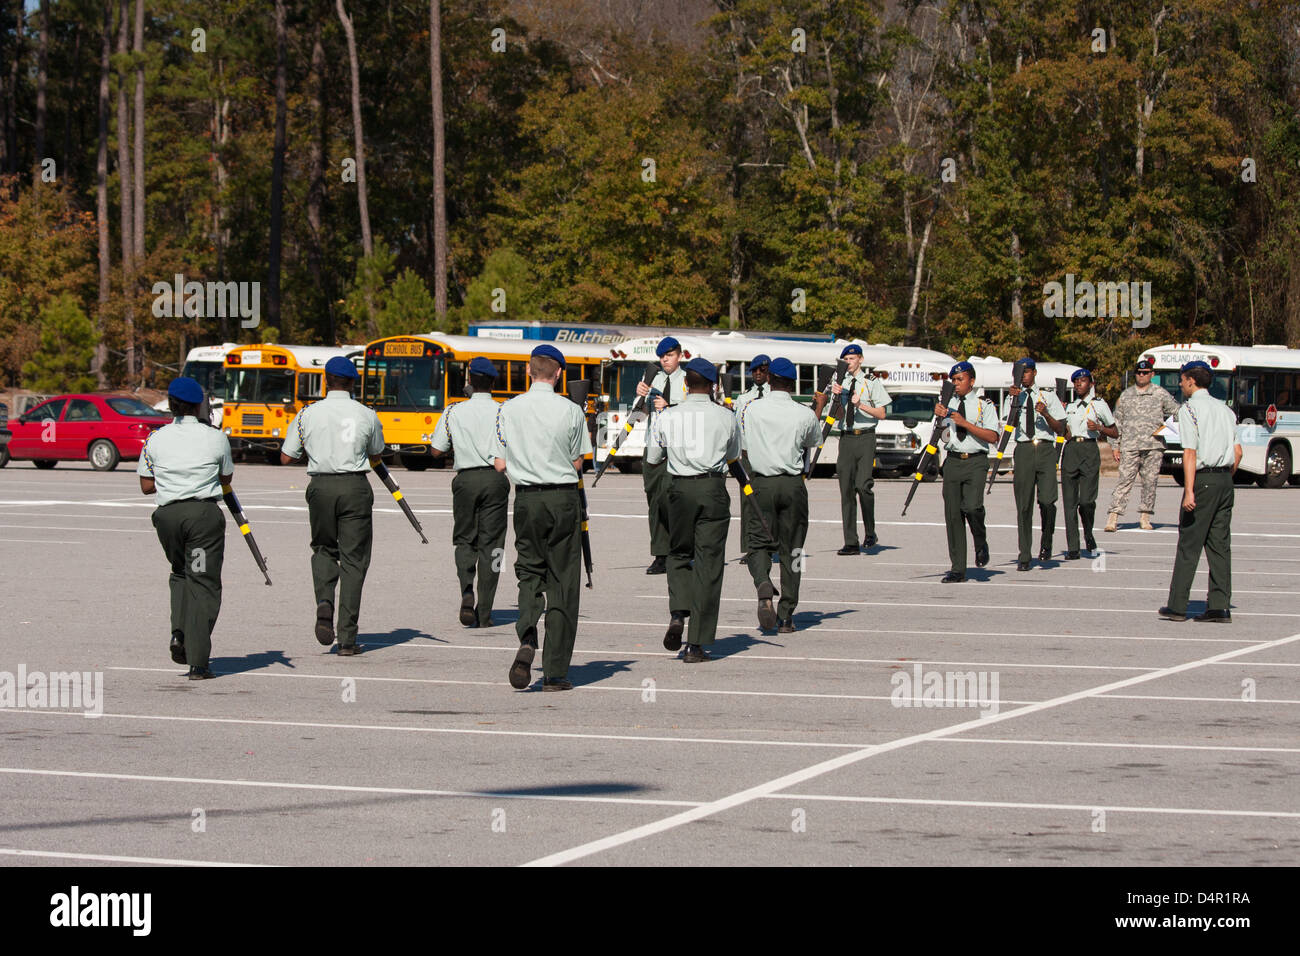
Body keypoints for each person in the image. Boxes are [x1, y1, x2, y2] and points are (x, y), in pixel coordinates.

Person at [491, 344, 592, 691]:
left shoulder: (508, 409)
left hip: (527, 499)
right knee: (563, 581)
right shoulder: (571, 410)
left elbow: (499, 463)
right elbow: (579, 462)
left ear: (530, 371)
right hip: (562, 497)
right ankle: (555, 672)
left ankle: (528, 634)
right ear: (559, 374)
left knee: (529, 571)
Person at [280, 356, 385, 656]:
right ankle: (347, 638)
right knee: (354, 560)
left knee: (324, 548)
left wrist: (314, 450)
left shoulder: (307, 414)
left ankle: (324, 600)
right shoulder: (366, 414)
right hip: (354, 486)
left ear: (327, 381)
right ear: (353, 383)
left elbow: (286, 456)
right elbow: (377, 451)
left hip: (321, 486)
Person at [137, 377, 234, 680]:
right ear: (198, 405)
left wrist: (173, 479)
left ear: (172, 404)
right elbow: (226, 478)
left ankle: (178, 633)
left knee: (180, 572)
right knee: (203, 582)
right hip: (202, 516)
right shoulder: (214, 437)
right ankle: (198, 661)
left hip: (167, 516)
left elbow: (145, 485)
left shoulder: (156, 438)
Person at [646, 357, 741, 662]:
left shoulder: (669, 416)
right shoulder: (726, 416)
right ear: (713, 386)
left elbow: (652, 457)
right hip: (712, 487)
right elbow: (733, 454)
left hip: (679, 488)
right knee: (709, 564)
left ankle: (678, 612)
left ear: (686, 383)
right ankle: (697, 643)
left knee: (678, 553)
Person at [739, 357, 820, 631]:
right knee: (793, 549)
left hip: (761, 482)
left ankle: (762, 579)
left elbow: (745, 447)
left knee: (758, 542)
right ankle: (787, 614)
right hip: (793, 483)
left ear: (770, 379)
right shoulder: (804, 413)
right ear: (793, 383)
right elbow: (813, 442)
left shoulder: (752, 409)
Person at [1159, 361, 1242, 623]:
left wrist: (1189, 491)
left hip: (1203, 480)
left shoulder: (1190, 410)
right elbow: (1238, 452)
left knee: (1189, 544)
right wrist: (1224, 479)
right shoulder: (1225, 410)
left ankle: (1178, 605)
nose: (1180, 384)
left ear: (1192, 381)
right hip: (1225, 481)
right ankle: (1219, 605)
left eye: (1182, 380)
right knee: (1220, 546)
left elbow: (1190, 453)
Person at [431, 356, 509, 628]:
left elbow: (436, 450)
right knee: (494, 546)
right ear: (493, 383)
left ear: (469, 382)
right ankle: (485, 610)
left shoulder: (453, 411)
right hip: (495, 479)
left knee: (465, 539)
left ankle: (466, 588)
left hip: (464, 479)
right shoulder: (504, 411)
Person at [934, 362, 1000, 583]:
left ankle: (980, 541)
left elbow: (992, 437)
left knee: (972, 507)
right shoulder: (947, 402)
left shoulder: (985, 404)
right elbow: (943, 437)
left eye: (960, 379)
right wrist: (939, 418)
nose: (956, 384)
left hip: (975, 460)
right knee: (953, 515)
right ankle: (958, 568)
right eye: (953, 380)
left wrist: (965, 423)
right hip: (953, 461)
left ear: (971, 381)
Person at [826, 343, 891, 555]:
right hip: (846, 437)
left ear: (860, 360)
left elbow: (882, 413)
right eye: (845, 360)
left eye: (852, 359)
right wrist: (835, 397)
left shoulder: (871, 382)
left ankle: (870, 531)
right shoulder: (839, 382)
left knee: (863, 486)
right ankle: (851, 541)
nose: (848, 363)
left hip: (865, 437)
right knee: (846, 489)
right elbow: (834, 416)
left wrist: (860, 404)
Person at [1003, 357, 1066, 570]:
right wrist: (1014, 401)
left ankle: (1047, 540)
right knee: (1024, 504)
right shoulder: (1013, 396)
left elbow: (1061, 429)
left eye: (1027, 372)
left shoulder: (1048, 395)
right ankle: (1024, 554)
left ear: (1034, 373)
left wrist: (1046, 413)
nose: (1023, 376)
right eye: (1019, 373)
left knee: (1048, 501)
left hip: (1046, 449)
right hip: (1024, 449)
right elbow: (1008, 426)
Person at [1107, 358, 1179, 532]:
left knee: (1150, 482)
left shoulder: (1160, 393)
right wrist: (1115, 445)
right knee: (1124, 481)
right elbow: (1117, 422)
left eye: (1145, 373)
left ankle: (1145, 517)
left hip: (1153, 446)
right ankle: (1113, 517)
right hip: (1130, 446)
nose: (1141, 375)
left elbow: (1177, 412)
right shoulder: (1126, 395)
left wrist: (1166, 428)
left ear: (1152, 374)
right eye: (1139, 373)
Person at [636, 336, 687, 574]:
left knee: (677, 504)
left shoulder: (689, 380)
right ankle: (660, 554)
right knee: (655, 504)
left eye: (669, 355)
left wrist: (670, 406)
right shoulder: (653, 378)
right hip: (654, 448)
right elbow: (641, 414)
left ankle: (681, 551)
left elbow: (694, 412)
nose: (665, 360)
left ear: (680, 356)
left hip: (679, 449)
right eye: (662, 356)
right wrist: (639, 397)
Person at [1060, 368, 1118, 558]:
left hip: (1089, 450)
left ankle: (1088, 533)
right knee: (1069, 503)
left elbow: (1115, 431)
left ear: (1091, 384)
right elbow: (1065, 433)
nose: (1078, 384)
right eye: (1076, 382)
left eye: (1082, 381)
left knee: (1086, 501)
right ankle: (1073, 547)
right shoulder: (1070, 406)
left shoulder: (1099, 405)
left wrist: (1099, 427)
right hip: (1071, 450)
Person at [733, 354, 770, 559]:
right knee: (748, 503)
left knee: (769, 502)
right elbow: (738, 426)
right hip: (748, 457)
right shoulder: (744, 397)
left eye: (762, 370)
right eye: (754, 370)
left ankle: (770, 543)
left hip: (771, 456)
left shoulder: (776, 394)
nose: (757, 374)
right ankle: (750, 547)